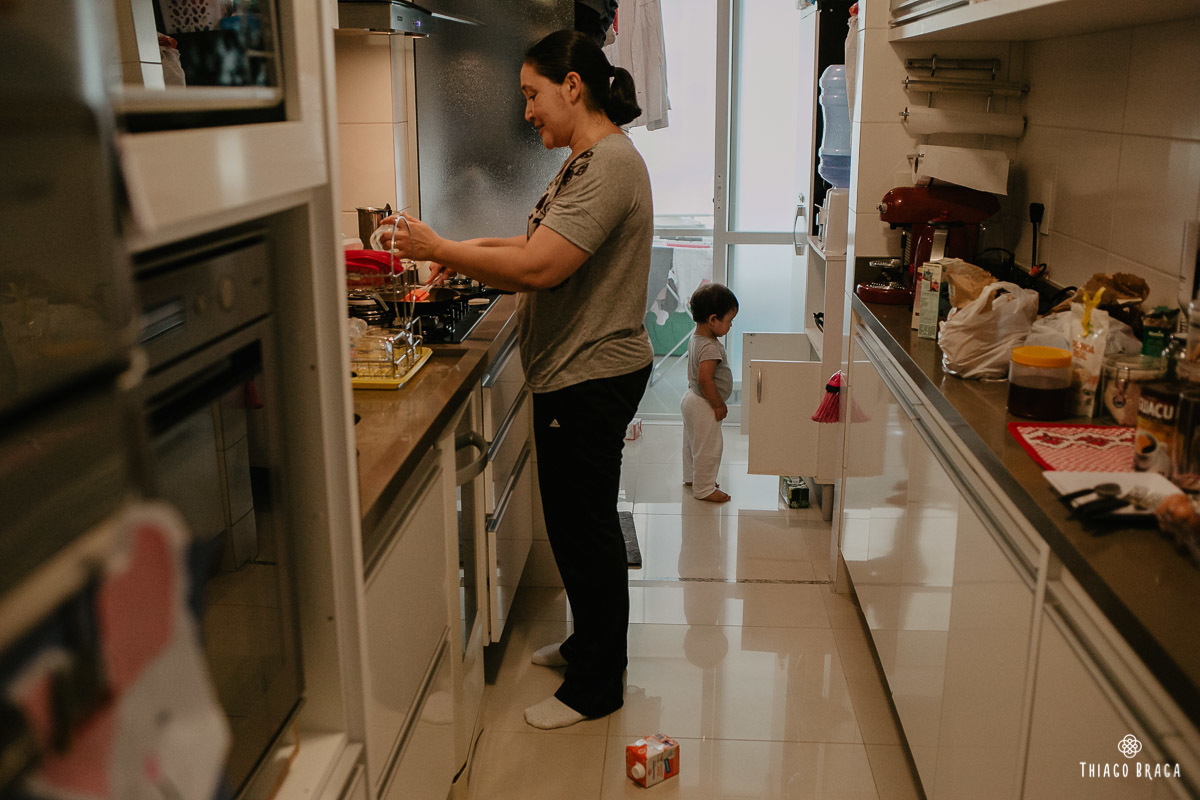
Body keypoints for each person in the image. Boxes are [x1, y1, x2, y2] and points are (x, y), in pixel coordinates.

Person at [379, 29, 652, 730]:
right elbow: (529, 244)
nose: (527, 111)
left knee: (584, 531)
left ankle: (597, 689)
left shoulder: (609, 165)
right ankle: (590, 644)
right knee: (574, 525)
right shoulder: (586, 163)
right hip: (580, 371)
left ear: (572, 86)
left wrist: (441, 247)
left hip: (590, 374)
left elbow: (538, 270)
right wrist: (455, 252)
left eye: (532, 94)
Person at [681, 283, 738, 504]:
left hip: (690, 397)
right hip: (703, 402)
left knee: (691, 442)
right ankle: (704, 488)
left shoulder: (696, 338)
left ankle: (691, 478)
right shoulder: (710, 347)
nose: (731, 325)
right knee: (709, 447)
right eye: (729, 320)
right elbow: (706, 379)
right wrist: (717, 404)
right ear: (713, 319)